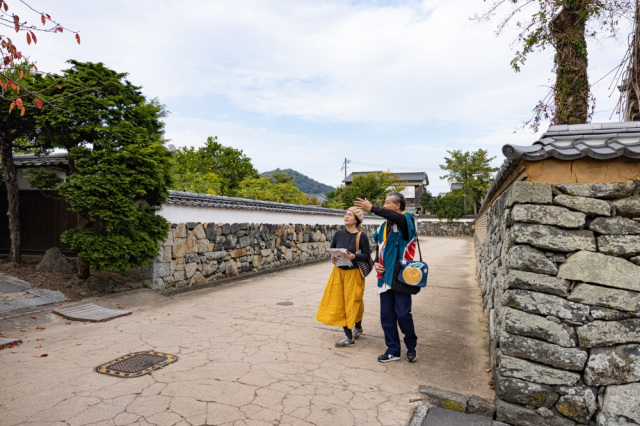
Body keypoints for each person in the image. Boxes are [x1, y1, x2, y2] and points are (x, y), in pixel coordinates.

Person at [354, 193, 418, 363]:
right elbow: (379, 247)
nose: (385, 205)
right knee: (387, 315)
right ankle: (393, 350)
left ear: (398, 206)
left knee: (403, 313)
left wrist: (372, 208)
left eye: (388, 203)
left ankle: (411, 346)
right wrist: (375, 262)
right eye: (384, 203)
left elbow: (395, 217)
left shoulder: (406, 220)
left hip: (401, 275)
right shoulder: (384, 226)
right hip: (384, 276)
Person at [316, 207, 371, 347]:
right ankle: (349, 336)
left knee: (353, 302)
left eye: (350, 215)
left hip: (354, 273)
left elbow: (366, 255)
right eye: (345, 214)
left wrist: (354, 256)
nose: (346, 217)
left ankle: (357, 326)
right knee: (341, 303)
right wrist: (333, 258)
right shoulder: (338, 234)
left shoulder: (361, 236)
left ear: (356, 220)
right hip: (339, 272)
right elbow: (332, 250)